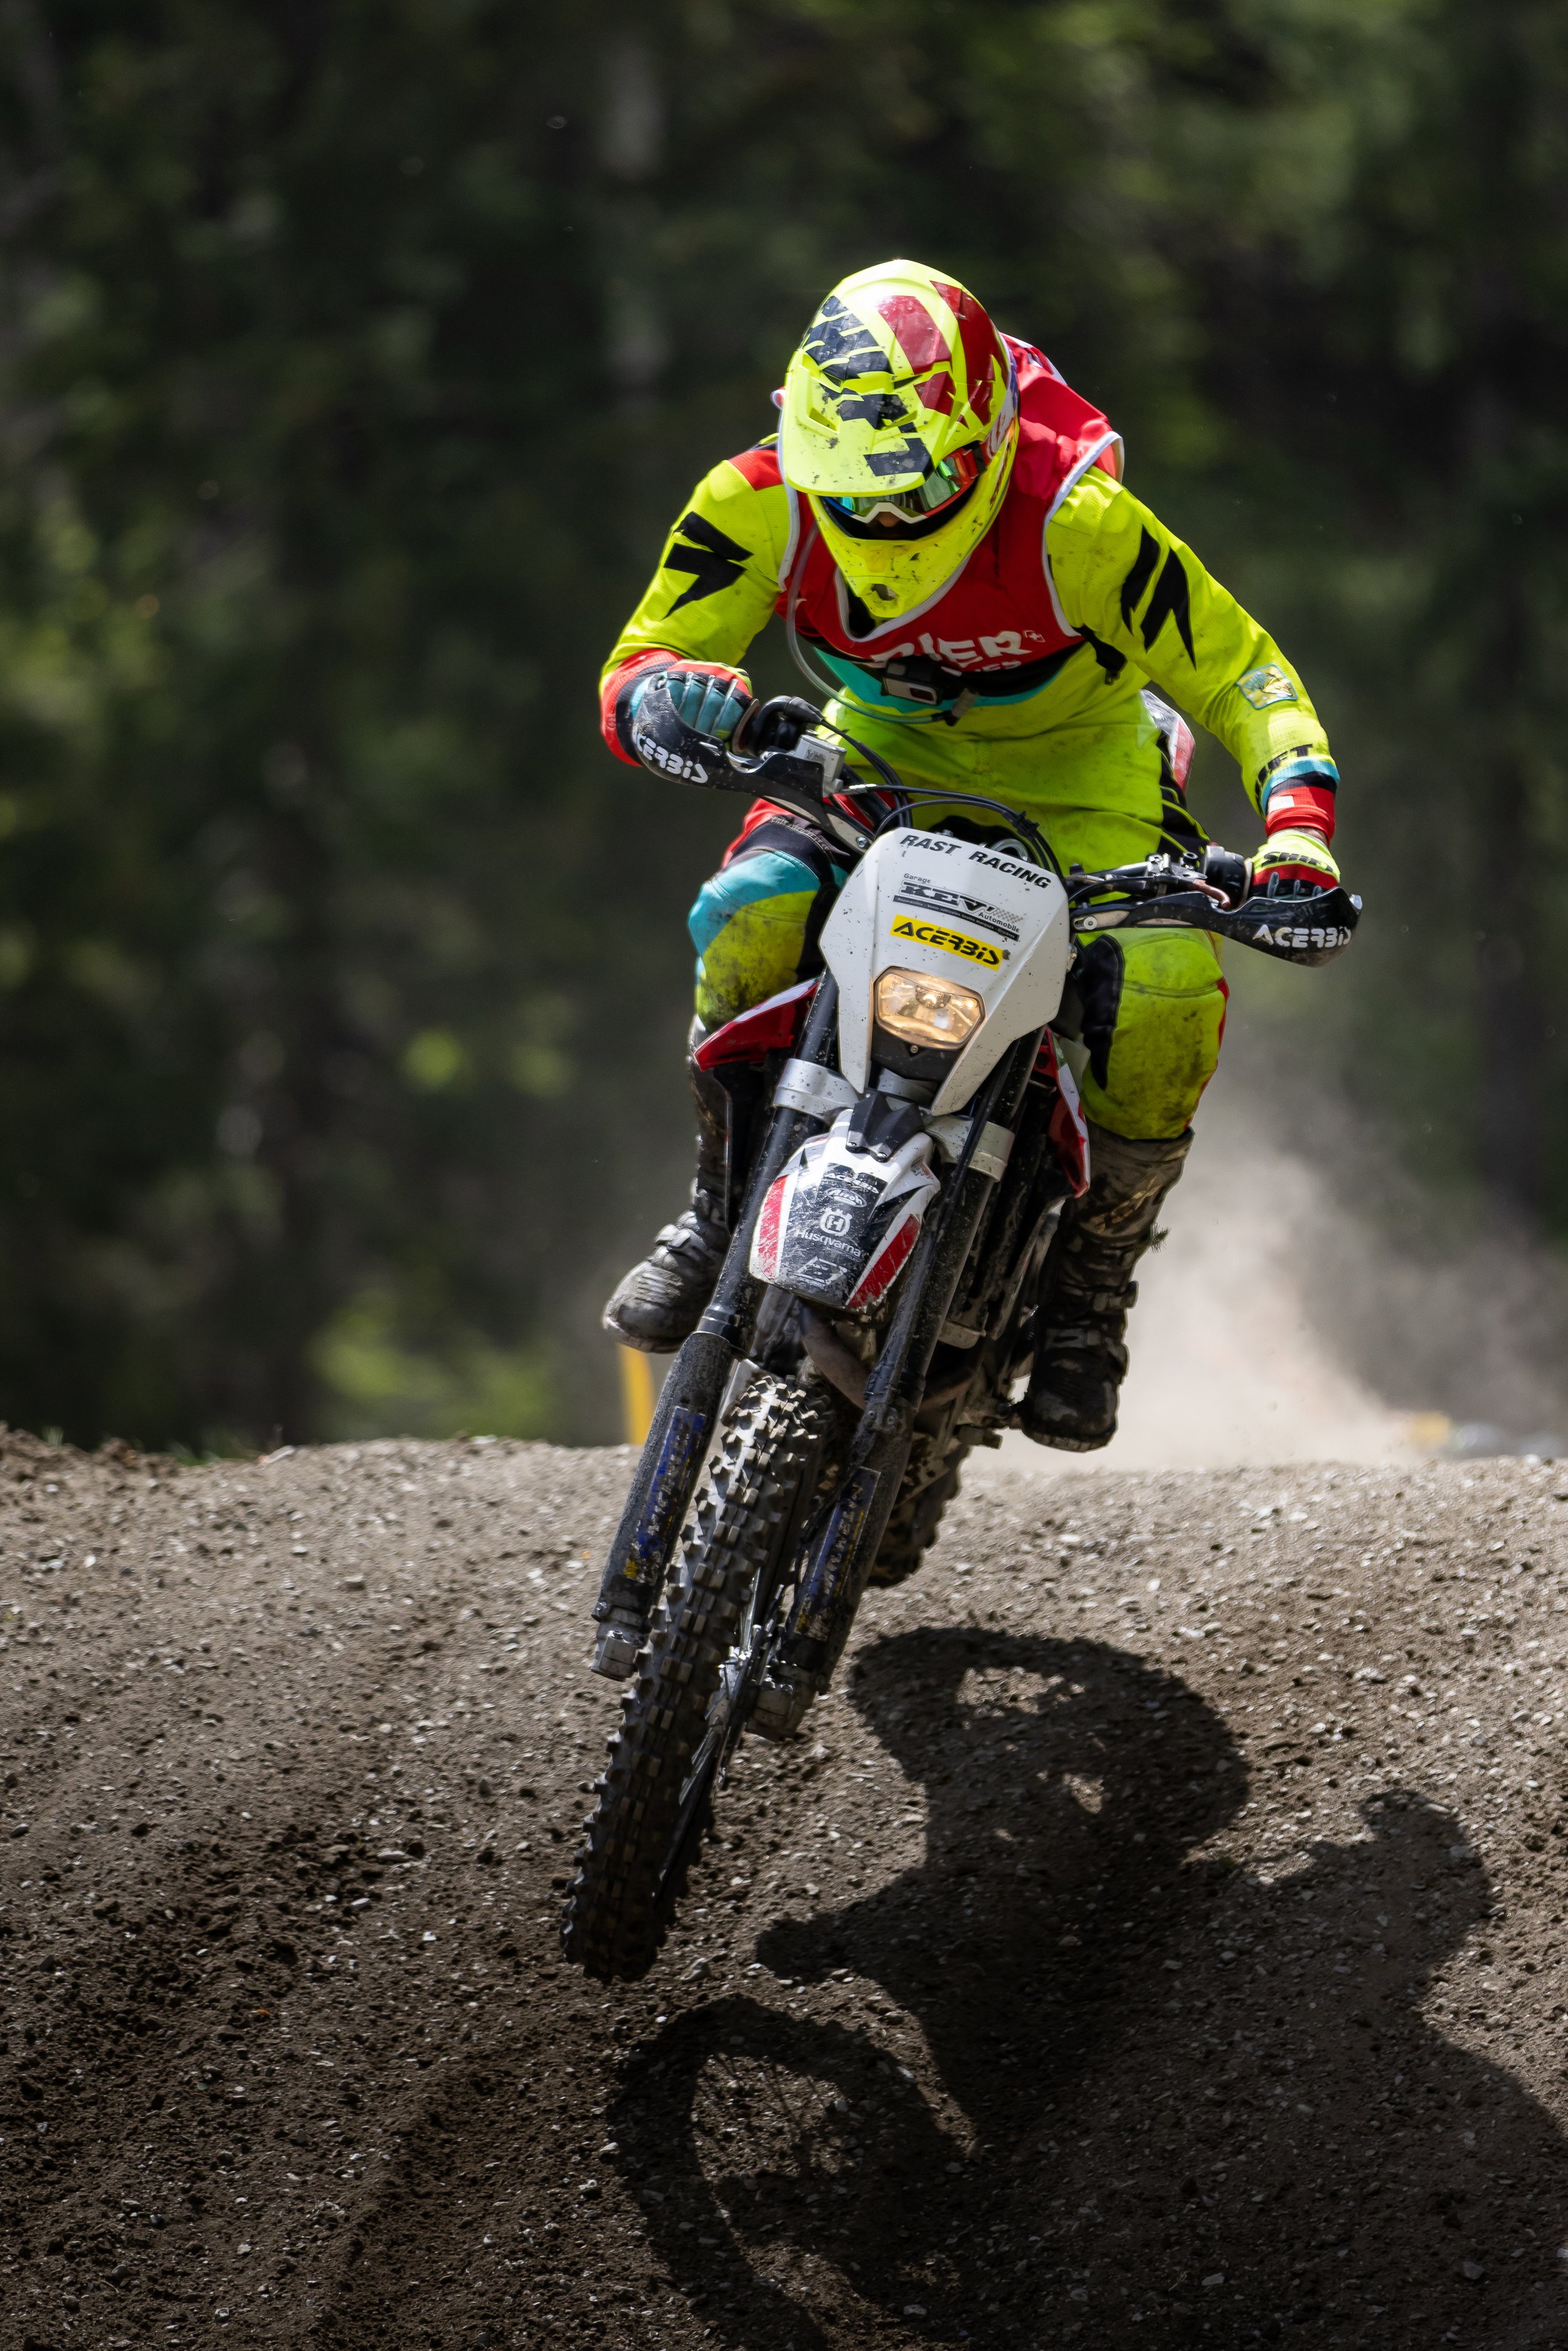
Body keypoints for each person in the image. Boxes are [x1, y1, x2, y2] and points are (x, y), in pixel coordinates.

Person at [596, 260, 1340, 1451]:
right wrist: (669, 704)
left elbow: (1244, 673)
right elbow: (648, 652)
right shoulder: (760, 495)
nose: (877, 518)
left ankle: (1093, 1295)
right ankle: (714, 1206)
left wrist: (1298, 829)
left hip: (1084, 775)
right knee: (750, 902)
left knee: (1163, 997)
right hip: (876, 749)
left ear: (982, 440)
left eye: (909, 489)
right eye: (851, 489)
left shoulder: (1076, 517)